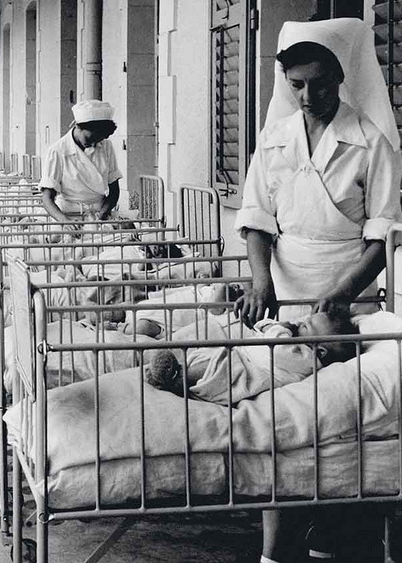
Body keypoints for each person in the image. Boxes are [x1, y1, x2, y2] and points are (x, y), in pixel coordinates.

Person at [231, 19, 402, 563]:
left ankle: (333, 533)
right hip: (283, 286)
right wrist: (262, 283)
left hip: (349, 288)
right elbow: (257, 218)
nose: (310, 96)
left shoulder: (369, 142)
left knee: (340, 415)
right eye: (299, 83)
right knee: (284, 413)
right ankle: (275, 550)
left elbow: (383, 233)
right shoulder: (274, 139)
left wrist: (343, 293)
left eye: (322, 83)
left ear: (341, 78)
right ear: (286, 81)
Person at [146, 309, 358, 405]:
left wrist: (280, 327)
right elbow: (263, 331)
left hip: (248, 371)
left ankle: (176, 378)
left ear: (320, 351)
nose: (297, 323)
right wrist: (272, 326)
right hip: (242, 357)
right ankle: (177, 371)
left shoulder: (305, 358)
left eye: (305, 325)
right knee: (206, 357)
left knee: (215, 370)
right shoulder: (301, 347)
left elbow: (275, 344)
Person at [39, 100, 131, 223]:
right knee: (61, 239)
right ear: (77, 126)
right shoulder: (57, 151)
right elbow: (47, 198)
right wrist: (65, 221)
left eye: (98, 139)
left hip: (99, 213)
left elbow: (114, 189)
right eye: (89, 138)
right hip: (66, 214)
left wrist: (104, 211)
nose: (93, 144)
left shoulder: (106, 146)